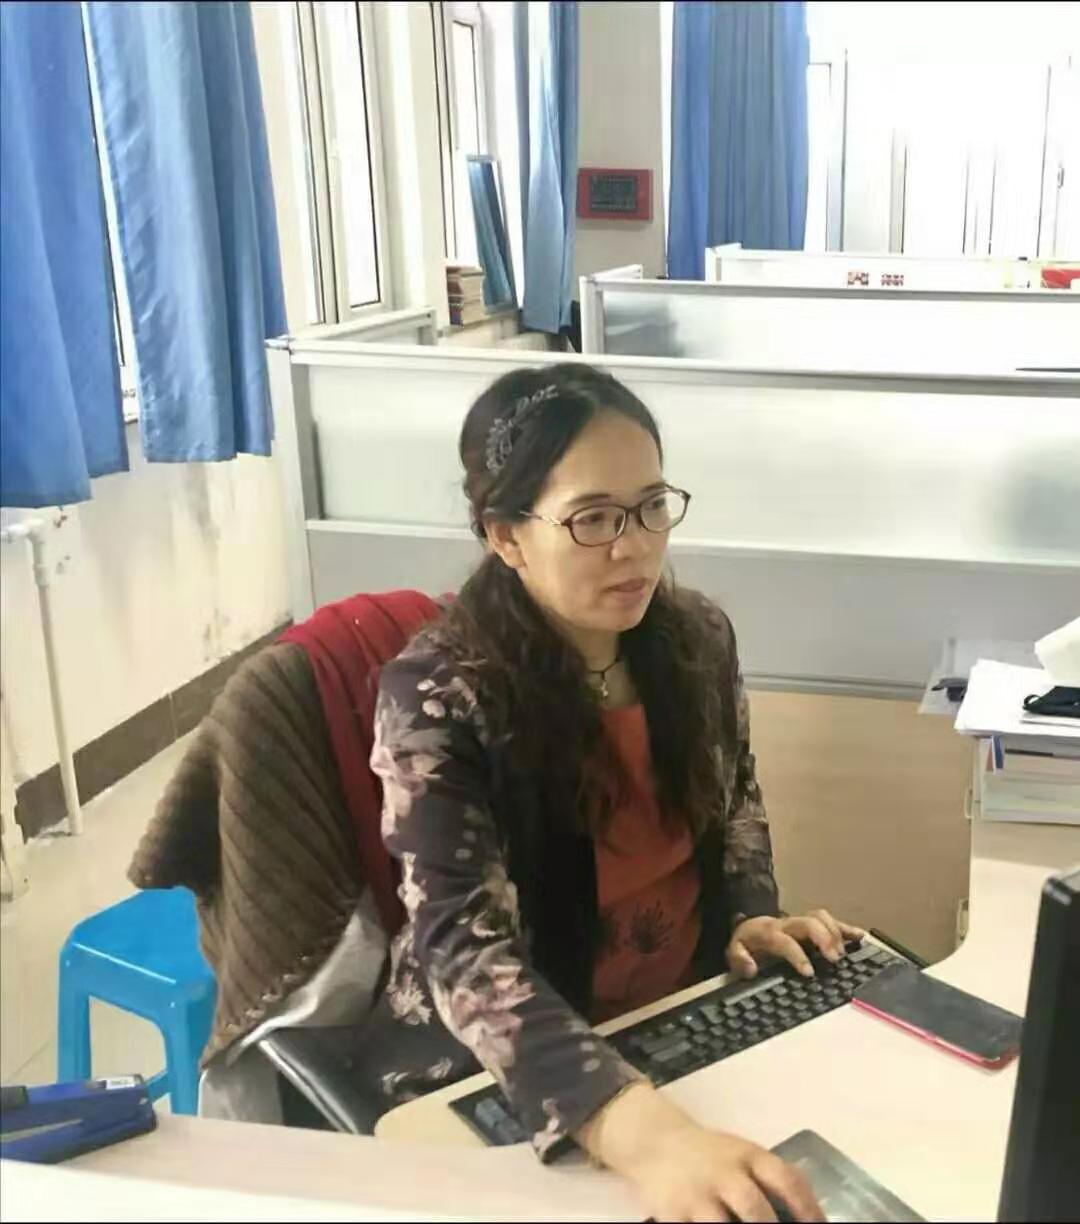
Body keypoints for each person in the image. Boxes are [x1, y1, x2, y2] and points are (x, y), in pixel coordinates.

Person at [367, 363, 862, 1222]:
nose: (633, 547)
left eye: (650, 506)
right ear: (506, 536)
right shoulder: (439, 693)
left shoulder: (695, 638)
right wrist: (646, 1134)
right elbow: (462, 949)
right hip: (516, 1062)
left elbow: (736, 803)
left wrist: (749, 918)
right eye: (592, 518)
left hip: (682, 1021)